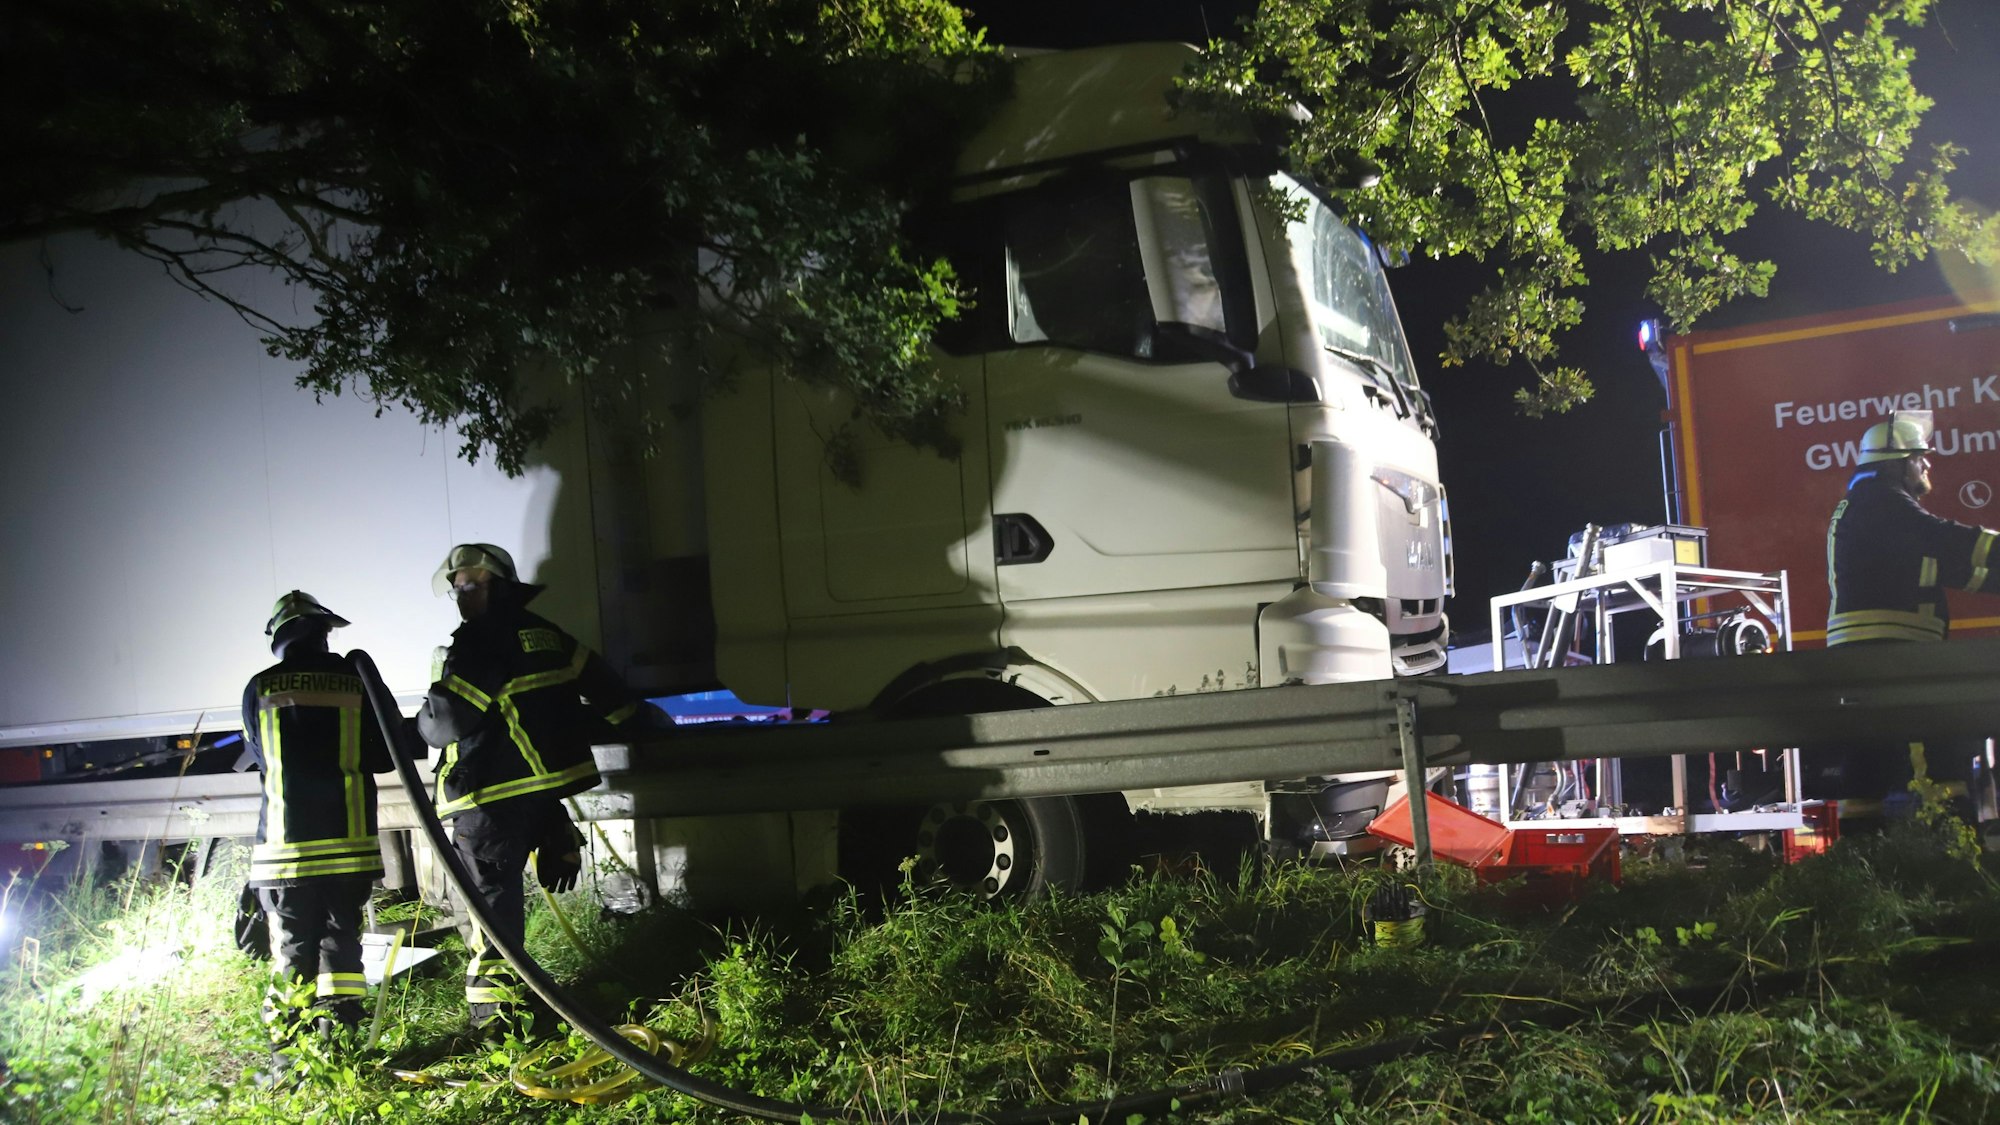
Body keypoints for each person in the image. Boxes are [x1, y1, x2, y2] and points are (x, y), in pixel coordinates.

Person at [414, 543, 658, 1038]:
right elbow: (610, 693)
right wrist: (645, 727)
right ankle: (517, 1001)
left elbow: (445, 725)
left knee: (491, 916)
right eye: (457, 588)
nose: (462, 596)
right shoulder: (549, 635)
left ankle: (495, 1025)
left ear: (500, 586)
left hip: (488, 800)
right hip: (540, 799)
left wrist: (419, 721)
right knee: (501, 911)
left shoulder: (480, 640)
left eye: (471, 585)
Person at [242, 590, 392, 1069]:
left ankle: (289, 1064)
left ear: (279, 637)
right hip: (348, 848)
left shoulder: (259, 688)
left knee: (292, 954)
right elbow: (386, 755)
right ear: (324, 632)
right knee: (341, 948)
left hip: (284, 853)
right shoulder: (353, 680)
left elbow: (261, 758)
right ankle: (341, 1049)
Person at [1824, 410, 1999, 805]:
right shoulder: (1882, 502)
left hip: (1874, 652)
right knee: (1935, 756)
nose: (1927, 465)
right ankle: (1942, 837)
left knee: (1869, 765)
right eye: (1919, 458)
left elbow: (1952, 568)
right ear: (1897, 464)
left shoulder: (1872, 506)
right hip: (1892, 652)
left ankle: (1865, 841)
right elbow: (1947, 539)